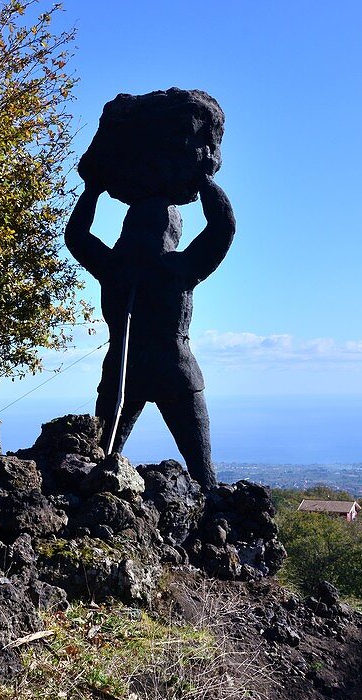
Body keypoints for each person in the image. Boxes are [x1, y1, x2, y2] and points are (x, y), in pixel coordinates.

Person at [65, 175, 235, 488]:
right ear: (173, 232)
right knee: (202, 472)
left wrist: (93, 189)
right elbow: (222, 228)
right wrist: (204, 182)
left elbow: (76, 235)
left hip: (125, 369)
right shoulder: (180, 267)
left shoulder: (112, 265)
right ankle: (212, 505)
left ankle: (95, 500)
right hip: (173, 372)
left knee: (101, 456)